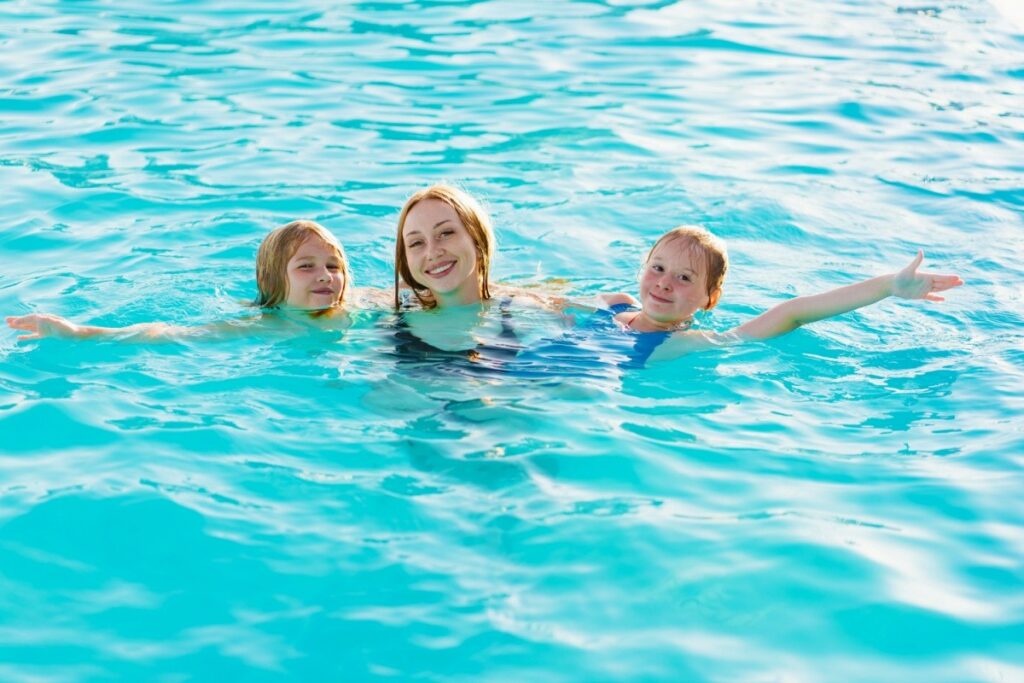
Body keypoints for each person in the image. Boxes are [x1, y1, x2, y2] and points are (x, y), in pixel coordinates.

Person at [599, 225, 964, 362]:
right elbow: (545, 304)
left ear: (709, 299)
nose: (664, 283)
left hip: (576, 388)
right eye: (658, 268)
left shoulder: (687, 343)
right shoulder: (612, 305)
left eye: (684, 278)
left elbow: (794, 312)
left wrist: (887, 286)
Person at [6, 220, 353, 341]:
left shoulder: (360, 305)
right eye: (305, 266)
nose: (325, 275)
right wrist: (78, 333)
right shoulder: (265, 327)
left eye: (334, 266)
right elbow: (169, 334)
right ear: (274, 280)